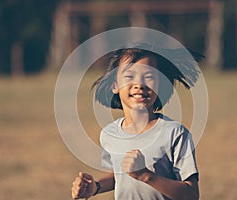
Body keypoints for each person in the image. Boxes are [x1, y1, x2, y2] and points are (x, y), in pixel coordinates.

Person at [71, 44, 204, 200]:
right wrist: (95, 187)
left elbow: (191, 194)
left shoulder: (174, 133)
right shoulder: (109, 134)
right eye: (129, 76)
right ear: (115, 85)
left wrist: (146, 176)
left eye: (149, 76)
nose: (139, 84)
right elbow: (118, 175)